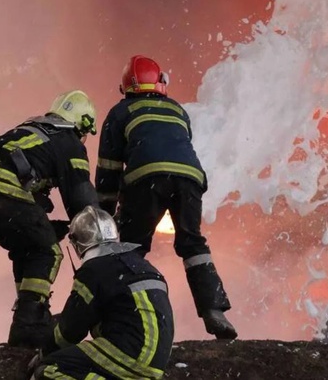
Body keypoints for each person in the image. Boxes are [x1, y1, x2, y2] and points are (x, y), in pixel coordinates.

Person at [95, 55, 237, 339]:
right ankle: (214, 310)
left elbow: (108, 168)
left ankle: (120, 319)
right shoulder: (177, 109)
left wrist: (105, 214)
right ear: (161, 81)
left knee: (130, 249)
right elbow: (177, 148)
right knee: (192, 242)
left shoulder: (120, 112)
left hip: (146, 180)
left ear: (125, 88)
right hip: (190, 180)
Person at [0, 90, 99, 348]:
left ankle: (28, 318)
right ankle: (29, 324)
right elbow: (81, 198)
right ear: (83, 124)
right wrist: (97, 234)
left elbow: (25, 188)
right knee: (47, 252)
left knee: (27, 249)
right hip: (0, 188)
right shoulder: (68, 142)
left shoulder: (33, 129)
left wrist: (51, 227)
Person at [30, 206, 174, 380]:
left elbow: (71, 330)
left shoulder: (94, 269)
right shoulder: (141, 265)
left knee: (49, 370)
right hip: (155, 363)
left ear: (77, 243)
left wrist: (44, 352)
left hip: (128, 355)